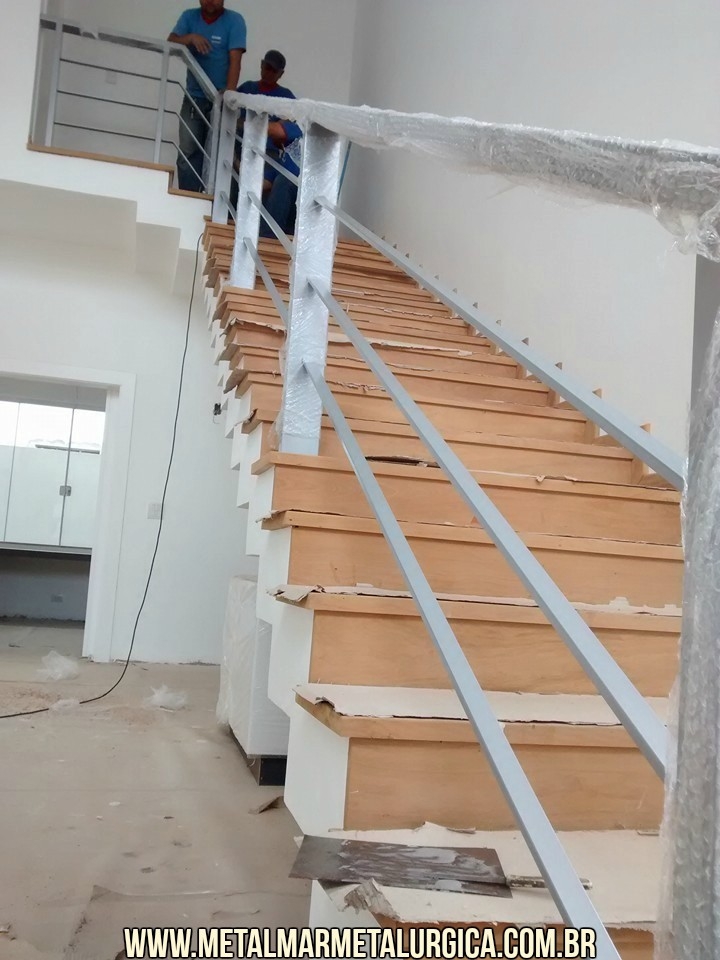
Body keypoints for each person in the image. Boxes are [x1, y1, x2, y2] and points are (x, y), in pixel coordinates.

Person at [169, 0, 247, 192]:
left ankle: (211, 202)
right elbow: (170, 42)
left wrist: (229, 93)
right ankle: (188, 198)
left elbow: (235, 60)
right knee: (188, 151)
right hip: (193, 98)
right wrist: (190, 38)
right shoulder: (189, 16)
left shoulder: (234, 21)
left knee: (219, 154)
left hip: (221, 101)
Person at [235, 51, 302, 235]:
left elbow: (280, 129)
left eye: (274, 70)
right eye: (267, 67)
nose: (269, 72)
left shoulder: (286, 98)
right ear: (261, 65)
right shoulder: (247, 88)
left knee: (281, 185)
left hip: (269, 156)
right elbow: (229, 113)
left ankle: (265, 237)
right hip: (241, 148)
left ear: (281, 74)